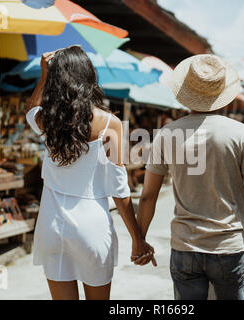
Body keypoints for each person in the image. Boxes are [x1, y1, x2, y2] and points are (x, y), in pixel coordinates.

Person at [133, 54, 244, 300]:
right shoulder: (242, 134)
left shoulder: (167, 134)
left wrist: (140, 240)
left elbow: (147, 197)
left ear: (186, 92)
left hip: (185, 248)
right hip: (228, 248)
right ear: (222, 93)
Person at [25, 46, 153, 300]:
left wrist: (43, 75)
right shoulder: (109, 124)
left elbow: (31, 108)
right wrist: (138, 238)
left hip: (51, 225)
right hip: (91, 226)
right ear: (88, 76)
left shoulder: (48, 121)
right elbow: (119, 188)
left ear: (57, 79)